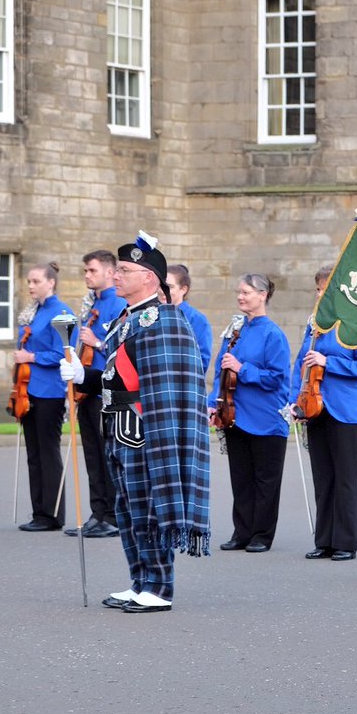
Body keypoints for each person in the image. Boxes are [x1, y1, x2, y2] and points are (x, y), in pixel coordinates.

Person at [93, 233, 210, 613]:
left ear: (149, 277)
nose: (116, 276)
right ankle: (140, 580)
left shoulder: (163, 320)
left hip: (147, 429)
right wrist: (82, 375)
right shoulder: (126, 320)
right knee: (127, 508)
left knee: (148, 507)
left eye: (124, 270)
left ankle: (159, 587)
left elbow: (168, 386)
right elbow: (117, 375)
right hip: (119, 423)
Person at [291, 264, 357, 562]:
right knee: (323, 477)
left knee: (344, 478)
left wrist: (329, 362)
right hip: (314, 406)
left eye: (324, 290)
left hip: (347, 411)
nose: (319, 295)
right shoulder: (315, 324)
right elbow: (301, 363)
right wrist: (294, 399)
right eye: (317, 289)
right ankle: (324, 540)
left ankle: (346, 542)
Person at [209, 274, 291, 553]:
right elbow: (220, 371)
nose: (240, 297)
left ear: (263, 295)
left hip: (266, 418)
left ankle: (261, 535)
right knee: (240, 478)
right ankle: (241, 532)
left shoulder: (273, 334)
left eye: (246, 292)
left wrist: (243, 369)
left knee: (265, 480)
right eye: (239, 292)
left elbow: (277, 378)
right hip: (235, 415)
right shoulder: (235, 331)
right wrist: (213, 402)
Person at [64, 250, 127, 539]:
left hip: (108, 389)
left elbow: (123, 350)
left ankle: (113, 516)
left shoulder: (118, 304)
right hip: (87, 388)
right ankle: (97, 512)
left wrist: (98, 343)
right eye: (86, 271)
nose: (87, 276)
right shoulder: (92, 307)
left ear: (109, 272)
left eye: (91, 270)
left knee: (107, 455)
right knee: (91, 455)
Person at [14, 262, 76, 532]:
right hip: (27, 390)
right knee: (33, 454)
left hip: (49, 391)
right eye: (29, 281)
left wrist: (32, 357)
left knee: (48, 453)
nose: (30, 286)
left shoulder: (63, 312)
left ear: (51, 282)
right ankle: (38, 511)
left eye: (36, 281)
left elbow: (66, 351)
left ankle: (52, 515)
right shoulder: (33, 313)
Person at [166, 264, 213, 375]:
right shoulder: (152, 314)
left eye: (169, 286)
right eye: (161, 285)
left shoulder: (197, 320)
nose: (163, 290)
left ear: (183, 289)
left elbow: (202, 362)